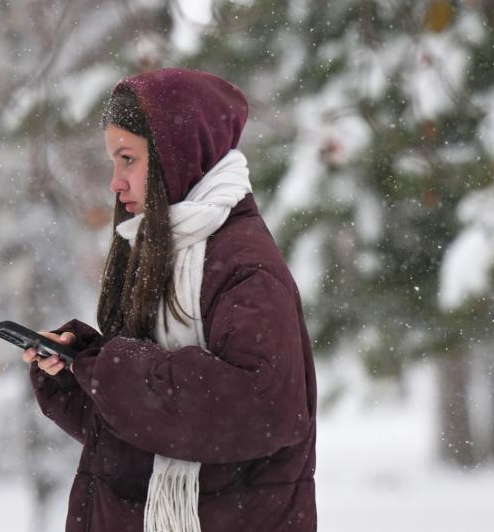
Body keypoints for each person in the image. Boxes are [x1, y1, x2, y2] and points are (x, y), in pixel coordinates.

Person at [23, 68, 317, 531]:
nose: (116, 183)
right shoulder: (164, 251)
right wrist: (81, 372)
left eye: (128, 160)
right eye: (112, 163)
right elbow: (150, 430)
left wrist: (113, 370)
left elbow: (259, 408)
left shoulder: (244, 268)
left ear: (176, 154)